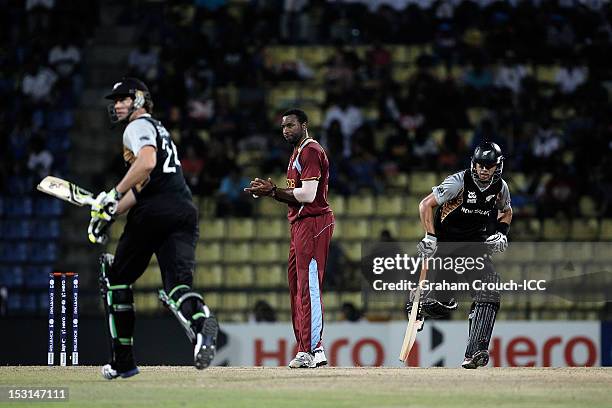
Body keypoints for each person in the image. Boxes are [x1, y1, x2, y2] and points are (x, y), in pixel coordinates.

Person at [88, 78, 218, 379]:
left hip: (153, 212)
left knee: (117, 278)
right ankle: (202, 325)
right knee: (177, 287)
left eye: (123, 98)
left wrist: (114, 193)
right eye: (115, 99)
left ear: (140, 99)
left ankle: (123, 362)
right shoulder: (161, 129)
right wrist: (109, 211)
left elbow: (146, 163)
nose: (117, 104)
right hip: (183, 209)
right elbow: (147, 184)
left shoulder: (137, 126)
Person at [245, 109, 334, 369]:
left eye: (291, 125)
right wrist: (273, 192)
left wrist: (274, 192)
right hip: (300, 224)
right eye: (283, 126)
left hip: (313, 223)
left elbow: (307, 195)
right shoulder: (297, 152)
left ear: (304, 125)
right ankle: (308, 348)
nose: (286, 130)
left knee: (309, 287)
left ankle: (311, 349)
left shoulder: (310, 151)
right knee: (297, 287)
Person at [411, 141, 512, 369]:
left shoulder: (501, 187)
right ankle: (420, 303)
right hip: (446, 246)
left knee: (489, 287)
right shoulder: (458, 182)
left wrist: (502, 233)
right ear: (473, 164)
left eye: (489, 165)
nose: (484, 170)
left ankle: (475, 351)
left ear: (498, 166)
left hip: (474, 246)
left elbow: (506, 211)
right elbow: (425, 204)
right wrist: (430, 236)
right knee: (444, 304)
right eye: (480, 165)